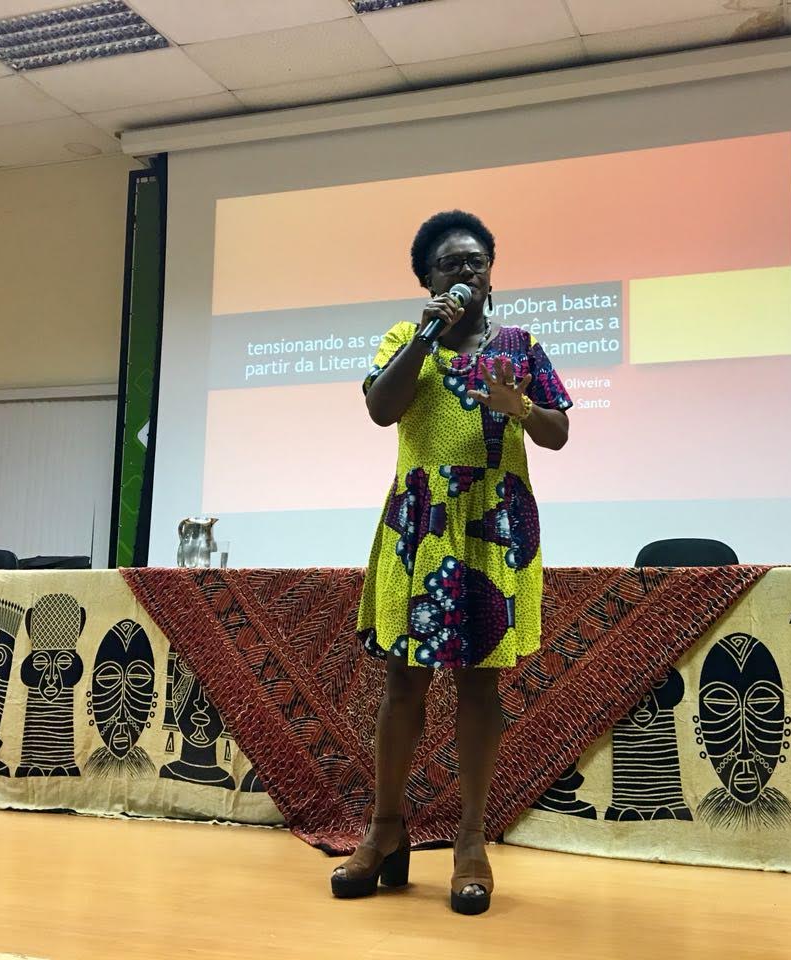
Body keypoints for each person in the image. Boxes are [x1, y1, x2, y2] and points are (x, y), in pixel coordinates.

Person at [331, 210, 572, 915]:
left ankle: (470, 841)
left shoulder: (521, 346)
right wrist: (426, 336)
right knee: (402, 683)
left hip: (493, 525)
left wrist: (520, 406)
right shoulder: (405, 339)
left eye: (476, 261)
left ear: (492, 271)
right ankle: (385, 831)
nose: (466, 271)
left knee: (479, 687)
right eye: (450, 264)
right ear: (428, 281)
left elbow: (558, 432)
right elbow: (382, 410)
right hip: (423, 524)